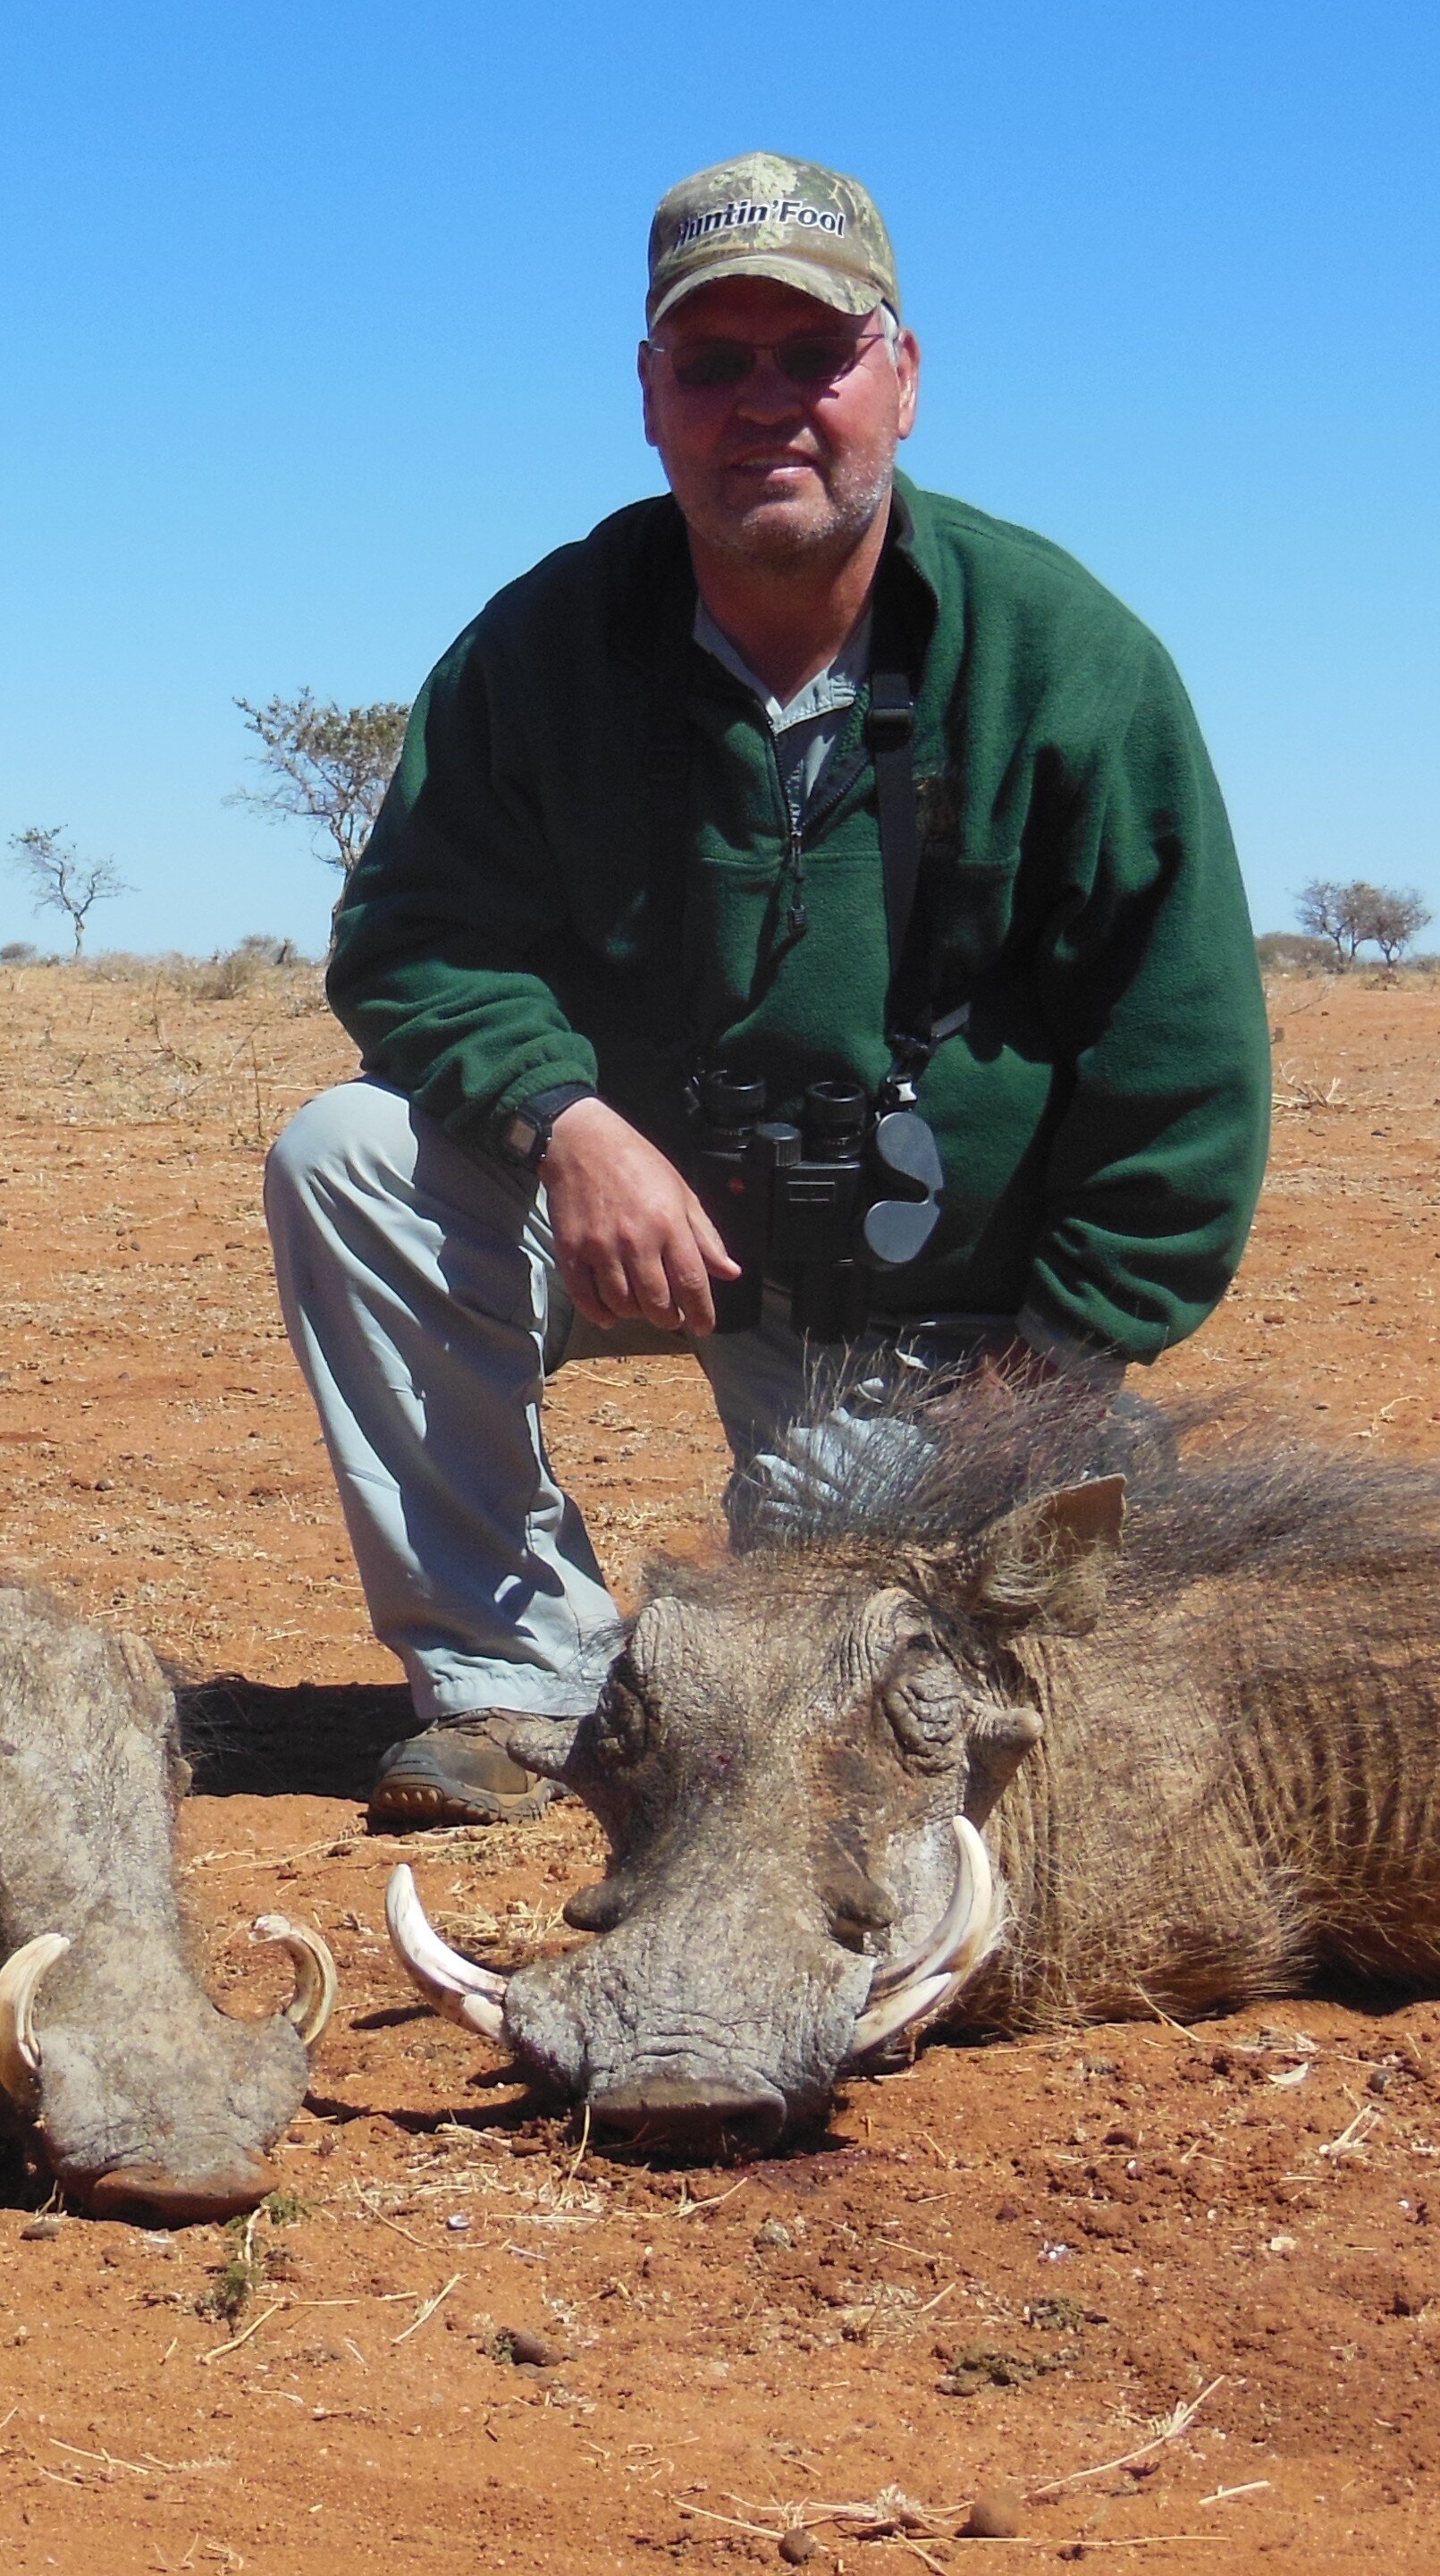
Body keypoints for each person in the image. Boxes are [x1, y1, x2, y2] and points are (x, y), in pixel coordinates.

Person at [265, 151, 1272, 1825]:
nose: (767, 406)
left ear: (903, 379)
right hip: (661, 1248)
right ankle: (520, 1682)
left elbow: (1183, 1072)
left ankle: (1009, 1492)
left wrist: (1049, 1368)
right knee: (345, 1154)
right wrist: (564, 1119)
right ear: (648, 399)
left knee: (910, 1686)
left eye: (812, 357)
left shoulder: (1068, 659)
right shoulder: (543, 643)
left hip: (956, 1321)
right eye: (713, 364)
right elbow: (410, 938)